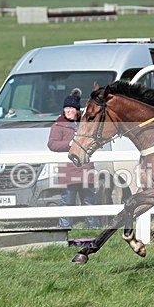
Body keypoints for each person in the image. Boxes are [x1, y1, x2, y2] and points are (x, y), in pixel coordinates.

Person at [47, 88, 101, 229]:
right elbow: (52, 144)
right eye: (66, 108)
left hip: (85, 169)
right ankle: (64, 228)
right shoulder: (59, 125)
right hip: (68, 170)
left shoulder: (85, 123)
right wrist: (69, 144)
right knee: (67, 201)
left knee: (89, 201)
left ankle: (94, 229)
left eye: (71, 108)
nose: (68, 111)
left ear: (77, 110)